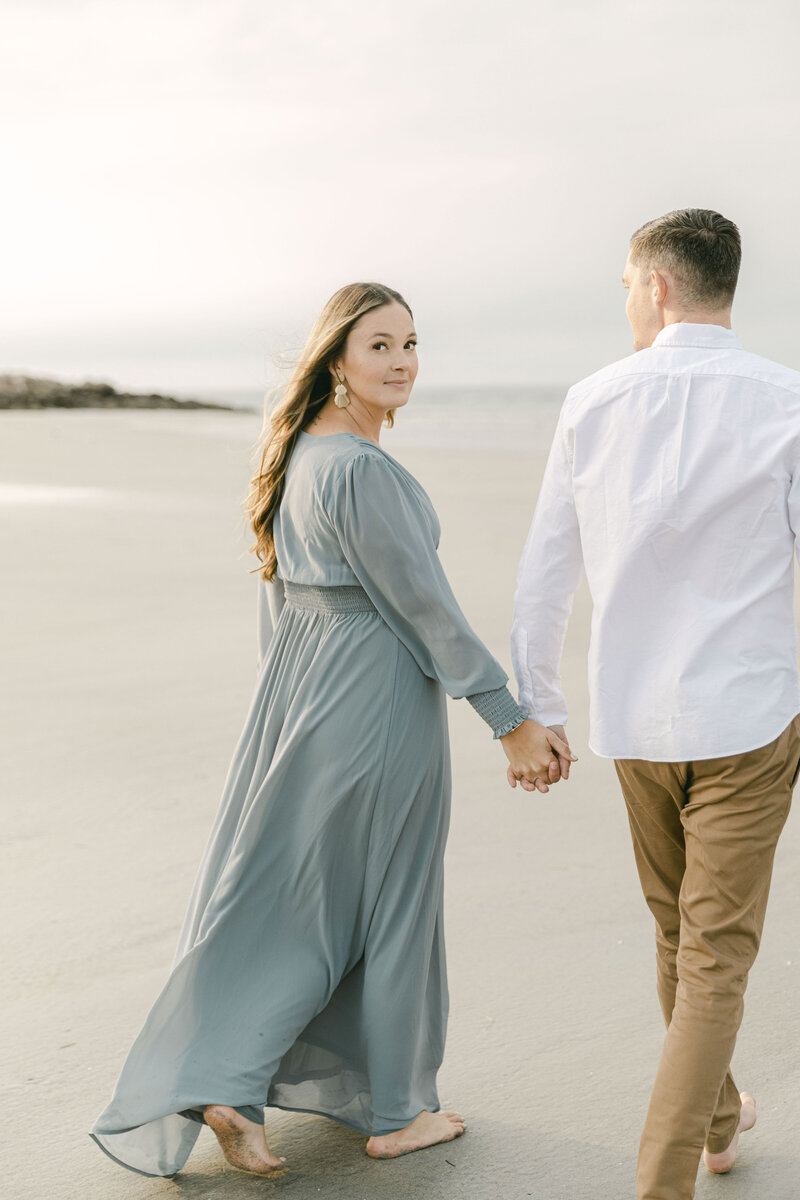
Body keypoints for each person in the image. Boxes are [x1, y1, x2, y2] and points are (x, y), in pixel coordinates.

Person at [90, 281, 573, 1179]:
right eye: (380, 346)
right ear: (337, 361)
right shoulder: (361, 470)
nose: (402, 363)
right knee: (387, 904)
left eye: (411, 344)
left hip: (302, 700)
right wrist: (508, 719)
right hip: (377, 701)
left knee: (301, 903)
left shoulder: (296, 456)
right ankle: (395, 1111)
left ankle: (232, 1083)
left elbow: (280, 607)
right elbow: (426, 611)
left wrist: (282, 712)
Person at [510, 209, 800, 1200]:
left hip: (634, 717)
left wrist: (535, 708)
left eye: (626, 284)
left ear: (657, 285)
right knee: (709, 954)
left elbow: (545, 570)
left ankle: (716, 1122)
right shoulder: (784, 400)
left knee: (680, 936)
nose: (626, 300)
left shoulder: (592, 401)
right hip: (750, 719)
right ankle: (663, 1180)